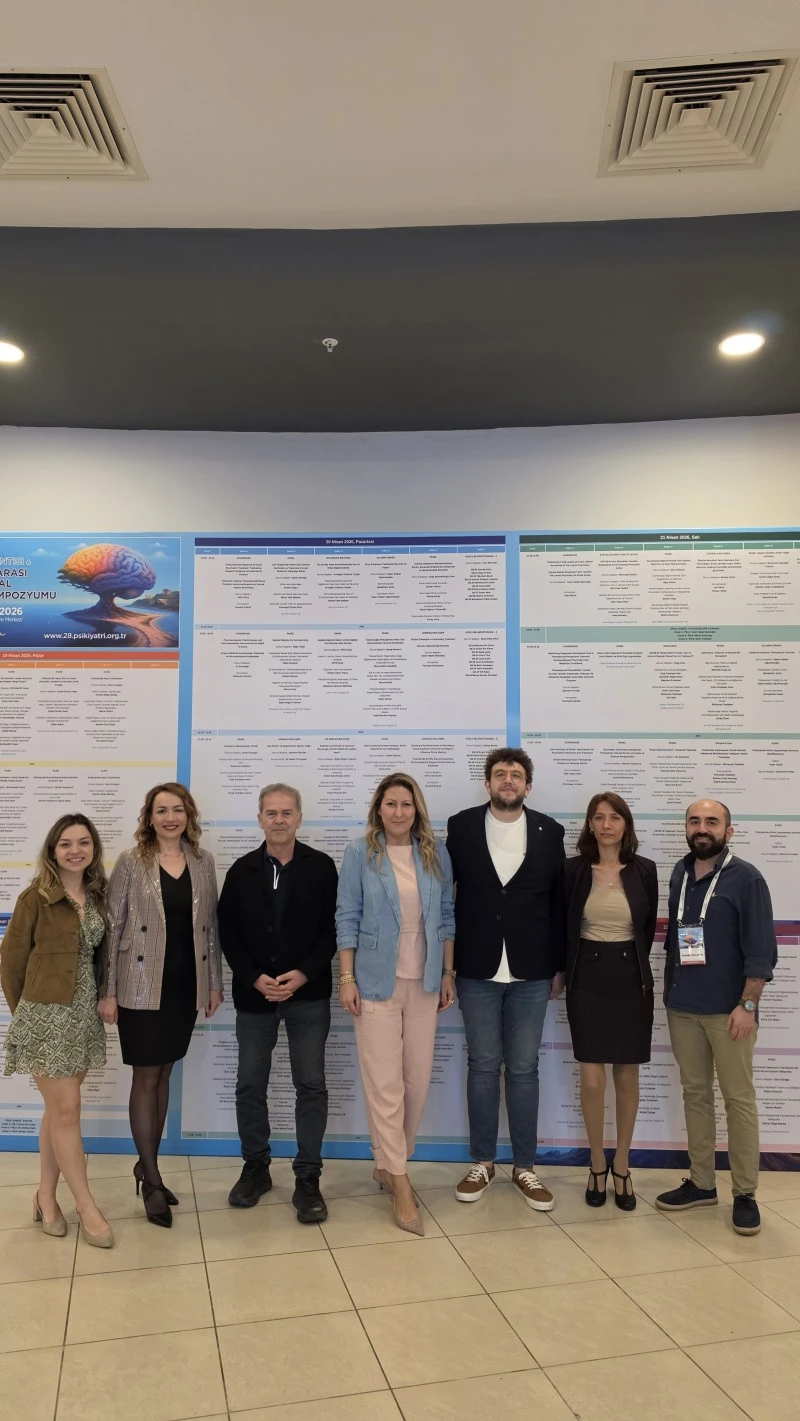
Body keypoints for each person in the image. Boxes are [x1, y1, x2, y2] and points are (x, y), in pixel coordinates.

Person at [446, 747, 565, 1210]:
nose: (508, 781)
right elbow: (447, 896)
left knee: (523, 1068)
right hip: (476, 967)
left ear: (528, 786)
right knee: (481, 1065)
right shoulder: (461, 827)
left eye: (516, 775)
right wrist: (446, 967)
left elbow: (557, 904)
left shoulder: (550, 831)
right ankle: (482, 1161)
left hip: (532, 969)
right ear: (488, 783)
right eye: (500, 774)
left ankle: (525, 1167)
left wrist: (559, 966)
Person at [99, 783, 223, 1228]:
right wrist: (108, 990)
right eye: (161, 810)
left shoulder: (203, 861)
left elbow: (210, 928)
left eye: (177, 810)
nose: (170, 817)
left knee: (166, 1071)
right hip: (139, 986)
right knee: (146, 1075)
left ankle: (147, 1166)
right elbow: (112, 926)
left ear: (189, 815)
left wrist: (213, 984)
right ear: (149, 818)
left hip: (184, 986)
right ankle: (151, 1179)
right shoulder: (132, 861)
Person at [336, 773, 455, 1236]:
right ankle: (400, 1180)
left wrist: (446, 973)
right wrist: (346, 977)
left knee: (416, 1082)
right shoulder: (359, 853)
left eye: (406, 804)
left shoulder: (435, 852)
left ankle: (387, 1164)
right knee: (384, 1084)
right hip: (374, 980)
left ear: (416, 809)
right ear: (378, 809)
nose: (399, 812)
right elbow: (347, 915)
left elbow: (447, 915)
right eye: (391, 804)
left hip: (424, 979)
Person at [655, 799, 777, 1236]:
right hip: (683, 1009)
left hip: (730, 1013)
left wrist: (748, 1006)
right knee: (695, 1095)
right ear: (686, 828)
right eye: (694, 821)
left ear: (729, 830)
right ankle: (702, 1183)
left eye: (712, 821)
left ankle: (745, 1193)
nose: (702, 827)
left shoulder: (747, 878)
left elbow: (761, 951)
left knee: (738, 1100)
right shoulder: (679, 873)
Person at [218, 783, 338, 1224]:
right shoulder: (241, 870)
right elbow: (227, 933)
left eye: (287, 812)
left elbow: (332, 929)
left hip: (308, 995)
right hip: (255, 996)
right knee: (250, 1084)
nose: (279, 820)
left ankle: (308, 1177)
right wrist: (254, 977)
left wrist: (302, 973)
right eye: (271, 813)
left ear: (299, 818)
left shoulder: (321, 867)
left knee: (311, 1084)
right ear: (260, 819)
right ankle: (256, 1168)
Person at [1, 814, 114, 1248]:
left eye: (83, 842)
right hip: (45, 1016)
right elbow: (10, 963)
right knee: (67, 1111)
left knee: (57, 1112)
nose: (75, 850)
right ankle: (86, 1206)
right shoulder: (36, 897)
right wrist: (29, 1016)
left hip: (82, 1015)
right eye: (65, 843)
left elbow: (101, 957)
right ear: (52, 850)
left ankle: (45, 1197)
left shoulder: (98, 895)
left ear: (93, 849)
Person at [564, 792, 658, 1211]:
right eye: (598, 817)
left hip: (630, 978)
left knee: (626, 1075)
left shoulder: (644, 870)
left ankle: (622, 1164)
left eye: (614, 817)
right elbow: (564, 925)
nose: (606, 825)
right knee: (591, 1078)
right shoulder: (573, 870)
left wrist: (630, 964)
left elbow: (647, 930)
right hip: (586, 975)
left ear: (626, 824)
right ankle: (596, 1162)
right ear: (589, 824)